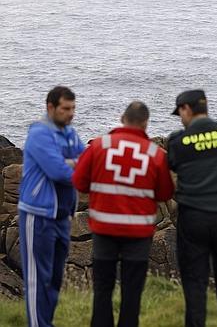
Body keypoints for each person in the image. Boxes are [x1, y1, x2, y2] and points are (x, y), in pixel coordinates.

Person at [72, 101, 175, 327]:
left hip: (104, 229)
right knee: (132, 291)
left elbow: (79, 182)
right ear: (145, 123)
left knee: (102, 289)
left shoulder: (98, 146)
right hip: (138, 234)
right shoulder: (155, 155)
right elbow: (165, 192)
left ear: (122, 118)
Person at [167, 89, 217, 327]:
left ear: (186, 109)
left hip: (194, 218)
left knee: (195, 283)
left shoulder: (178, 141)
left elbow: (170, 169)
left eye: (180, 113)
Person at [18, 86, 85, 327]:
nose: (71, 114)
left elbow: (85, 161)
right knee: (38, 279)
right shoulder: (40, 133)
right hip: (38, 215)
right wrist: (72, 164)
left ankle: (46, 322)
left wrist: (71, 162)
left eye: (73, 108)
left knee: (55, 279)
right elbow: (58, 172)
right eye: (66, 109)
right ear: (51, 107)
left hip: (62, 217)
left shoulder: (69, 133)